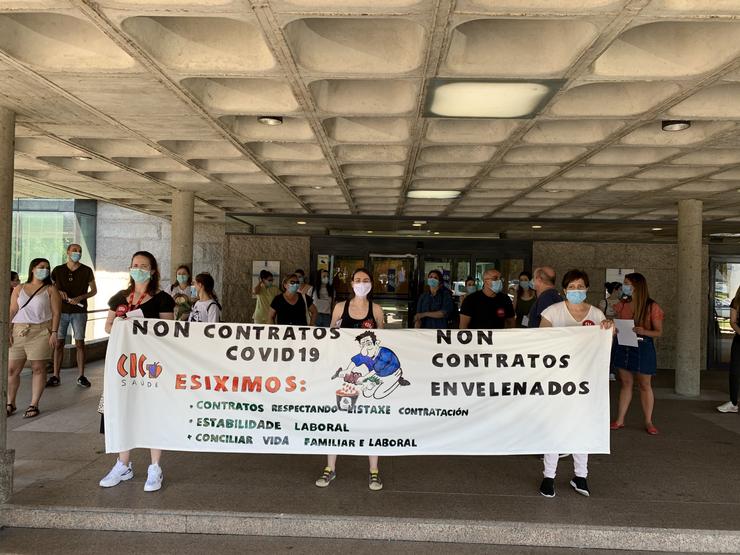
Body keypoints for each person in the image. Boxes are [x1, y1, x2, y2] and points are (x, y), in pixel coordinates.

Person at [99, 251, 175, 492]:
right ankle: (123, 464)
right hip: (124, 366)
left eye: (144, 265)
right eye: (135, 265)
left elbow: (169, 329)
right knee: (124, 409)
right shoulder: (120, 298)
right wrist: (122, 323)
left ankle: (155, 467)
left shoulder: (162, 299)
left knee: (153, 411)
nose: (139, 268)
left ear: (153, 270)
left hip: (152, 365)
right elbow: (108, 325)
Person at [539, 269, 614, 498]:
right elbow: (541, 341)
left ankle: (580, 475)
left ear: (587, 288)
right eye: (571, 287)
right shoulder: (552, 312)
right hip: (558, 381)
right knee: (554, 426)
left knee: (584, 425)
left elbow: (607, 341)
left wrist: (610, 327)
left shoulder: (597, 314)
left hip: (587, 381)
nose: (575, 291)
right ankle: (548, 476)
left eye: (579, 286)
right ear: (564, 290)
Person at [316, 268, 386, 491]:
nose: (361, 284)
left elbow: (383, 342)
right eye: (357, 280)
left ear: (371, 284)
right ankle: (330, 468)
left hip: (368, 376)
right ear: (352, 283)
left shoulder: (376, 310)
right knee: (336, 420)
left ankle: (374, 471)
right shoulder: (340, 308)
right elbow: (330, 339)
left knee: (372, 422)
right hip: (344, 374)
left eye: (365, 280)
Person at [610, 272, 664, 435]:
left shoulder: (652, 306)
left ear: (636, 286)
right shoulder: (622, 304)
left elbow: (659, 332)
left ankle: (648, 421)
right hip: (624, 343)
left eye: (627, 283)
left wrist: (644, 331)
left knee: (644, 384)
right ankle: (620, 420)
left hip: (643, 345)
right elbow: (614, 320)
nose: (624, 286)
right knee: (626, 383)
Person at [7, 258, 62, 418]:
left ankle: (34, 404)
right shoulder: (20, 288)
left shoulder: (50, 289)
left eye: (47, 268)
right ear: (32, 269)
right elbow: (12, 310)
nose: (44, 270)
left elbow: (57, 313)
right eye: (41, 267)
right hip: (19, 330)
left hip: (40, 331)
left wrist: (54, 332)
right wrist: (8, 330)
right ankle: (11, 402)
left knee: (38, 368)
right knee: (12, 369)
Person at [48, 243, 97, 388]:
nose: (77, 253)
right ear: (68, 252)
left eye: (80, 251)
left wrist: (81, 297)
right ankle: (56, 375)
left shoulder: (87, 270)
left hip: (79, 312)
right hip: (60, 311)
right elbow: (50, 287)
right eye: (74, 250)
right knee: (58, 344)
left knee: (80, 343)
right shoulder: (58, 270)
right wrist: (58, 292)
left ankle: (81, 375)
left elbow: (94, 290)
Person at [717, 285, 740, 414]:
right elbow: (732, 321)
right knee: (735, 372)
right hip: (739, 341)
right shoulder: (736, 301)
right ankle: (733, 403)